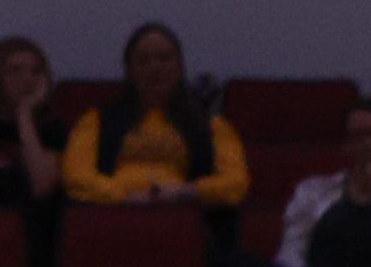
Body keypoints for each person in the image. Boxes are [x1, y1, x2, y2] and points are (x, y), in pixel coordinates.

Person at [61, 21, 248, 206]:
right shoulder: (96, 121)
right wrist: (123, 196)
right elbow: (76, 177)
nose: (154, 68)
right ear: (129, 70)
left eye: (164, 59)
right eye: (143, 60)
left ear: (180, 66)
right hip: (113, 214)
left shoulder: (210, 124)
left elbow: (236, 182)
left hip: (183, 214)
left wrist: (187, 192)